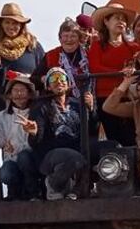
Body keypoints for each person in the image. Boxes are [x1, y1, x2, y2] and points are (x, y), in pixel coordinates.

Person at [23, 67, 97, 200]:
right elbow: (35, 143)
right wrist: (33, 133)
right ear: (48, 86)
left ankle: (77, 191)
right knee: (77, 158)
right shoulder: (41, 107)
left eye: (62, 78)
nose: (59, 82)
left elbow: (92, 130)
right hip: (50, 154)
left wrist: (90, 109)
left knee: (106, 147)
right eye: (53, 79)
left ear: (68, 84)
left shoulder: (77, 103)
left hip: (76, 149)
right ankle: (53, 183)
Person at [0, 72, 40, 200]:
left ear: (29, 94)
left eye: (23, 90)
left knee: (24, 158)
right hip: (11, 159)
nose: (19, 94)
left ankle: (34, 194)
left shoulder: (36, 113)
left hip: (31, 158)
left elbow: (39, 138)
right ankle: (14, 195)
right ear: (9, 95)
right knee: (5, 173)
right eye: (15, 91)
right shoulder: (2, 116)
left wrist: (18, 147)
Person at [89, 1, 140, 146]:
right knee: (113, 139)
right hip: (104, 99)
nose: (121, 22)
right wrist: (120, 73)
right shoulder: (97, 46)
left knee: (132, 137)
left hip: (128, 98)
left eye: (123, 19)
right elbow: (94, 68)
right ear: (106, 21)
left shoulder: (133, 47)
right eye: (117, 18)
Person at [35, 17, 91, 101]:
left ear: (79, 38)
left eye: (73, 36)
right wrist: (45, 79)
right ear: (60, 39)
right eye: (65, 36)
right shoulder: (50, 55)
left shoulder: (88, 55)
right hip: (58, 103)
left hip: (85, 101)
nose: (69, 40)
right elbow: (34, 79)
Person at [0, 2, 45, 83]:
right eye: (7, 22)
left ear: (22, 25)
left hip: (31, 94)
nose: (11, 26)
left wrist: (27, 78)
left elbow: (44, 75)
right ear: (1, 25)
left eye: (15, 23)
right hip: (3, 95)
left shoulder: (33, 46)